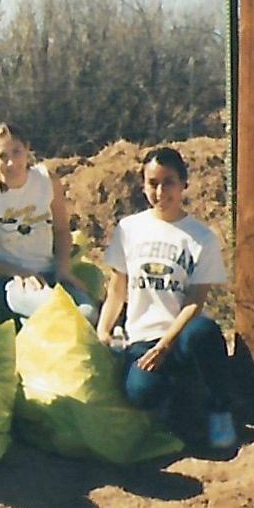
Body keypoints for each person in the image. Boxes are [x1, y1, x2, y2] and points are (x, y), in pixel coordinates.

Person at [97, 147, 237, 450]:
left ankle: (219, 408)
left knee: (205, 332)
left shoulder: (200, 237)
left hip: (180, 336)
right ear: (143, 186)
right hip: (143, 341)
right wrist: (103, 330)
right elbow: (117, 288)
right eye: (153, 183)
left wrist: (166, 344)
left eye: (169, 182)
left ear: (183, 183)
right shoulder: (129, 229)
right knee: (140, 393)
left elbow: (195, 300)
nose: (161, 192)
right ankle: (178, 394)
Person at [0, 122, 97, 323]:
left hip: (49, 272)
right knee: (57, 314)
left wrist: (63, 268)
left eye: (16, 152)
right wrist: (18, 272)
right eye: (2, 156)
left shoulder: (46, 181)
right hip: (11, 281)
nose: (11, 163)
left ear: (27, 149)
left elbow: (61, 231)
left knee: (87, 314)